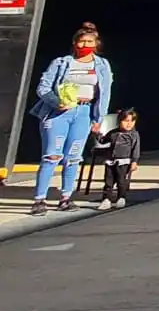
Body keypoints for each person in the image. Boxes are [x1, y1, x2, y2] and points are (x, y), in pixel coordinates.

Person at [29, 24, 113, 215]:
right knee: (51, 156)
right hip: (59, 113)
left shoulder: (101, 65)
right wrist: (56, 101)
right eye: (82, 41)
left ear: (96, 44)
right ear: (75, 43)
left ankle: (66, 198)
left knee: (73, 157)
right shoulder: (61, 63)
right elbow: (43, 87)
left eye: (89, 42)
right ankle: (39, 199)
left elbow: (105, 92)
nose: (85, 44)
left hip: (83, 112)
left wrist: (98, 118)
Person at [95, 108, 141, 211]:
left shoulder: (134, 135)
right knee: (108, 181)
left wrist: (134, 161)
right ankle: (106, 199)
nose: (129, 124)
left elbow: (136, 148)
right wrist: (97, 134)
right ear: (119, 121)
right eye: (126, 121)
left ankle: (121, 197)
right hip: (111, 161)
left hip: (124, 162)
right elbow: (103, 141)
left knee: (121, 181)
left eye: (132, 121)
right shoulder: (113, 133)